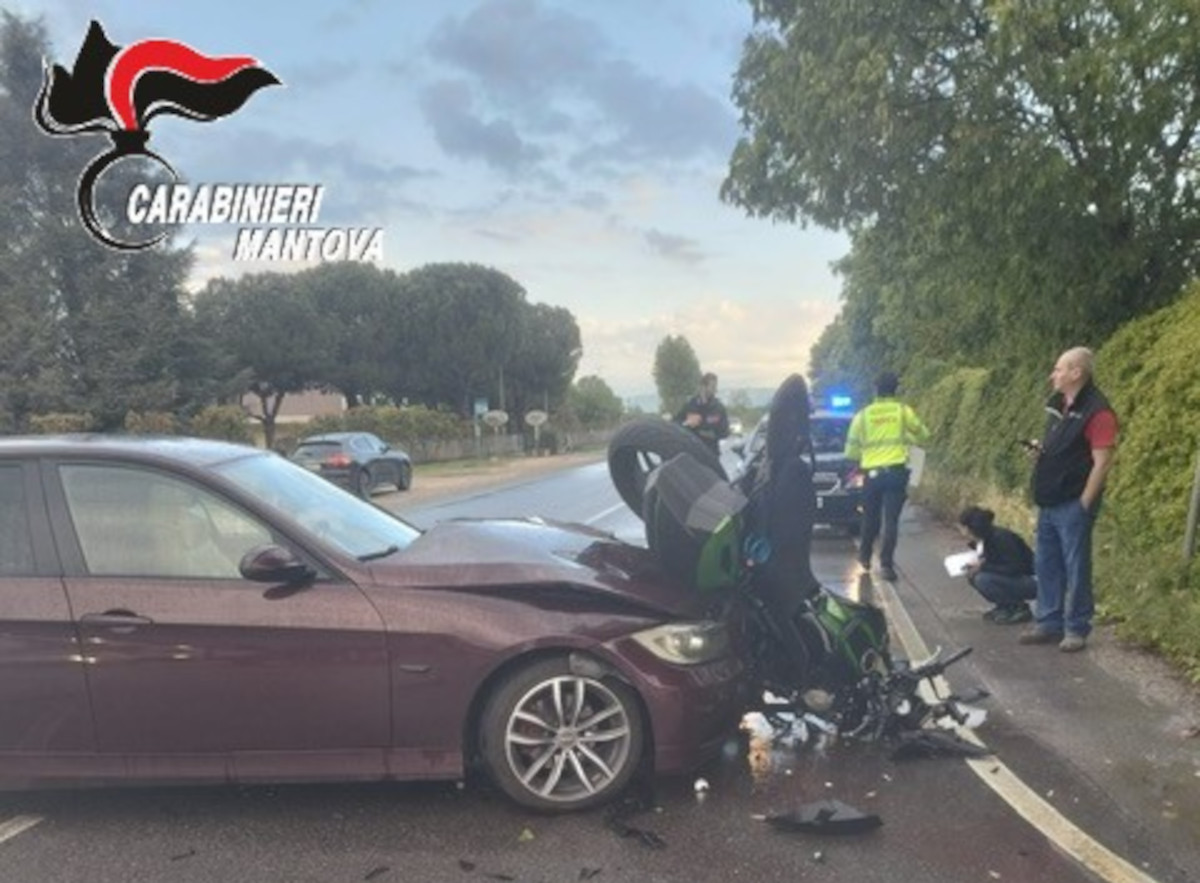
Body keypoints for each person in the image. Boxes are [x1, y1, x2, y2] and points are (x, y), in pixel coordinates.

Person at [1019, 347, 1118, 653]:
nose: (1053, 375)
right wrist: (1040, 452)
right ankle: (1049, 621)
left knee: (1076, 567)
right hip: (1049, 500)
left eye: (1059, 369)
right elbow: (1062, 448)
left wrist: (1084, 503)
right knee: (1046, 563)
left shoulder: (1098, 411)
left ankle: (1076, 627)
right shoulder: (1058, 406)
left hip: (1072, 501)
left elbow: (1103, 461)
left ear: (1076, 373)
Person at [844, 371, 930, 582]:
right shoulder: (902, 411)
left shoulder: (863, 416)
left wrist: (864, 454)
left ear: (875, 389)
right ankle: (886, 565)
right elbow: (924, 435)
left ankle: (865, 556)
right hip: (896, 473)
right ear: (895, 389)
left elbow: (850, 452)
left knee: (870, 517)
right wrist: (905, 438)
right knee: (890, 521)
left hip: (872, 475)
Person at [957, 506, 1037, 624]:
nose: (962, 532)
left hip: (1032, 580)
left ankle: (1018, 607)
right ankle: (1005, 606)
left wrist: (983, 567)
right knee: (973, 576)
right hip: (1017, 578)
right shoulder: (984, 539)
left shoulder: (1001, 538)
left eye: (963, 528)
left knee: (983, 579)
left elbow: (1015, 567)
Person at [675, 372, 730, 458]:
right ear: (703, 387)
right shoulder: (690, 405)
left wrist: (709, 433)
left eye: (715, 387)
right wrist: (686, 423)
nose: (715, 390)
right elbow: (675, 424)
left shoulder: (718, 408)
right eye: (712, 387)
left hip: (711, 453)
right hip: (692, 453)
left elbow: (725, 433)